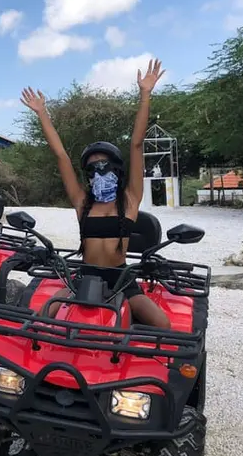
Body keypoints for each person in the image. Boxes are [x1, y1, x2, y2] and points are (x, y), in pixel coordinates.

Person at [19, 58, 171, 328]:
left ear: (116, 169)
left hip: (121, 280)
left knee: (163, 326)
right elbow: (61, 156)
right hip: (84, 277)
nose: (99, 173)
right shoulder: (82, 203)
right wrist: (42, 113)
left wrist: (145, 94)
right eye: (92, 169)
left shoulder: (130, 199)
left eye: (105, 166)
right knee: (41, 320)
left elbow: (136, 145)